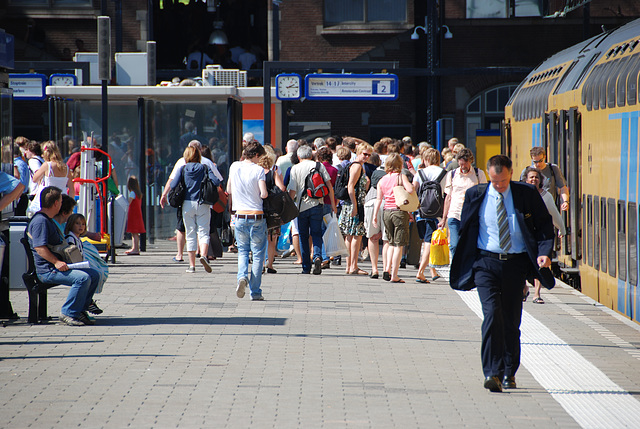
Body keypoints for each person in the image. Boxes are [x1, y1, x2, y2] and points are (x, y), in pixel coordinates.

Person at [450, 155, 554, 392]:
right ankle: (491, 372)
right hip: (485, 263)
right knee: (491, 316)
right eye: (495, 181)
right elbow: (468, 228)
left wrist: (544, 253)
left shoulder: (526, 194)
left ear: (511, 173)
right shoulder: (476, 194)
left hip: (515, 265)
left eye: (504, 181)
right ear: (488, 175)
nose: (499, 185)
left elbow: (544, 226)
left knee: (510, 321)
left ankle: (509, 372)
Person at [27, 186, 101, 326]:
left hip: (58, 266)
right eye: (60, 202)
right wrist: (56, 262)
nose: (61, 205)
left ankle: (80, 310)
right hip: (48, 270)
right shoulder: (40, 221)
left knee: (94, 275)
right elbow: (39, 248)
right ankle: (69, 312)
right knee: (83, 278)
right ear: (55, 203)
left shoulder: (47, 220)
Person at [160, 140, 224, 263]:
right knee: (203, 231)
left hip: (187, 204)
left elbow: (173, 184)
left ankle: (191, 265)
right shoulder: (205, 166)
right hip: (203, 203)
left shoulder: (183, 167)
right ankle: (203, 255)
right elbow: (216, 182)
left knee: (189, 232)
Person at [227, 142, 268, 300]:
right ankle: (255, 292)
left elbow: (229, 190)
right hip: (256, 215)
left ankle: (242, 277)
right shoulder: (258, 170)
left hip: (240, 216)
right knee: (257, 255)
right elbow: (263, 194)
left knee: (243, 251)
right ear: (256, 155)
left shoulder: (234, 166)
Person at [288, 145, 336, 275]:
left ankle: (306, 267)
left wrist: (288, 207)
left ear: (298, 156)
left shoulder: (295, 168)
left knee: (304, 236)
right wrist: (333, 204)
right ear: (311, 155)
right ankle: (318, 256)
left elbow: (292, 190)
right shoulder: (319, 166)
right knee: (316, 233)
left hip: (301, 207)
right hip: (317, 205)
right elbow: (329, 186)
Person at [522, 166, 566, 304]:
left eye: (536, 177)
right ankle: (523, 288)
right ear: (526, 180)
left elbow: (555, 214)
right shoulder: (520, 194)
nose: (534, 179)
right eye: (531, 177)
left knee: (539, 263)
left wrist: (562, 229)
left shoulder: (545, 196)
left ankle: (536, 294)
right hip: (524, 236)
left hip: (540, 236)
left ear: (540, 180)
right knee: (522, 263)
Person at [439, 148, 487, 258]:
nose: (463, 167)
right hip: (454, 214)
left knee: (469, 245)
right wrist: (443, 218)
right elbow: (448, 197)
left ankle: (467, 268)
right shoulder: (452, 174)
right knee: (455, 245)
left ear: (470, 161)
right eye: (460, 164)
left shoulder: (479, 174)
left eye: (465, 164)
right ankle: (456, 269)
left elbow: (484, 195)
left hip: (471, 215)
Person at [373, 153, 414, 283]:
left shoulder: (382, 179)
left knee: (390, 243)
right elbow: (410, 190)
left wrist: (375, 216)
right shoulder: (401, 177)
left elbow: (379, 199)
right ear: (400, 164)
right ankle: (394, 275)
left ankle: (387, 269)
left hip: (386, 212)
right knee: (399, 245)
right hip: (399, 212)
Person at [413, 147, 447, 283]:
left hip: (422, 211)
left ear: (426, 159)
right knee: (429, 241)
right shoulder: (444, 173)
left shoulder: (420, 173)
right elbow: (447, 194)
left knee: (427, 240)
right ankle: (421, 272)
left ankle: (431, 270)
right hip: (438, 212)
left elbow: (413, 190)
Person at [338, 143, 371, 276]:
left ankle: (349, 266)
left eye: (369, 154)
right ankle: (353, 266)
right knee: (356, 235)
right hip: (354, 204)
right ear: (358, 152)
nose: (367, 157)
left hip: (350, 204)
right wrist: (355, 206)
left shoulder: (354, 165)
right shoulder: (357, 166)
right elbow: (351, 186)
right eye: (365, 154)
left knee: (350, 236)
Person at [65, 213, 108, 311]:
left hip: (78, 264)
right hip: (72, 266)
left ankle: (87, 302)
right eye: (77, 224)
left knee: (97, 273)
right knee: (92, 275)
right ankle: (86, 304)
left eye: (83, 224)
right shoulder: (71, 238)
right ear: (71, 224)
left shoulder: (77, 238)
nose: (81, 226)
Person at [28, 141, 75, 215]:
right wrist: (70, 204)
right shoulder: (66, 167)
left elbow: (34, 179)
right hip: (62, 200)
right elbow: (72, 189)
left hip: (47, 199)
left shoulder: (47, 165)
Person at [259, 147, 285, 273]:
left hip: (258, 208)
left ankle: (261, 263)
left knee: (260, 237)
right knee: (272, 238)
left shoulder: (255, 172)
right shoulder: (273, 171)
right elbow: (281, 188)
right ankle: (269, 265)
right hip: (272, 210)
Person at [520, 146, 569, 211]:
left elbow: (563, 187)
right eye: (535, 162)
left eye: (540, 161)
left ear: (544, 157)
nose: (538, 164)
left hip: (550, 209)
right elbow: (521, 191)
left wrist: (565, 202)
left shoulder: (553, 169)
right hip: (532, 210)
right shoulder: (527, 172)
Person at [316, 146, 338, 269]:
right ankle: (328, 255)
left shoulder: (317, 168)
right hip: (329, 202)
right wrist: (334, 206)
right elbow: (333, 188)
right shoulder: (334, 170)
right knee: (327, 230)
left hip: (318, 201)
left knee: (319, 230)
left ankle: (323, 256)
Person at [363, 152, 385, 279]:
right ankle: (387, 269)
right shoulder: (397, 175)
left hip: (371, 201)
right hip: (387, 203)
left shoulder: (373, 172)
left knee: (372, 237)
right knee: (387, 240)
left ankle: (374, 268)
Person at [125, 176, 146, 256]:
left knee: (134, 233)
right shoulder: (138, 194)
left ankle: (136, 249)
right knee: (135, 233)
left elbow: (128, 203)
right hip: (137, 215)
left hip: (133, 215)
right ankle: (134, 248)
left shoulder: (132, 193)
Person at [12, 143, 30, 216]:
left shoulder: (18, 164)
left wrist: (16, 200)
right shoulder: (21, 163)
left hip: (19, 197)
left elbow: (21, 184)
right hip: (20, 196)